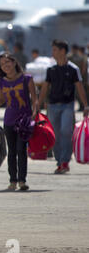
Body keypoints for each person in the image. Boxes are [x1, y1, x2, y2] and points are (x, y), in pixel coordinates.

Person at [0, 52, 38, 191]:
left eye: (7, 62)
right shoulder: (2, 81)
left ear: (14, 63)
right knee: (12, 151)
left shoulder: (27, 79)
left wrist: (34, 113)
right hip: (9, 120)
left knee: (21, 150)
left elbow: (34, 99)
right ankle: (12, 181)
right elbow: (1, 99)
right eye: (2, 64)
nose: (5, 66)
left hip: (24, 121)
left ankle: (22, 181)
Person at [38, 40, 89, 174]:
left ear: (62, 51)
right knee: (55, 134)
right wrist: (38, 105)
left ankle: (65, 161)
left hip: (67, 105)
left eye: (54, 50)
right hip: (52, 105)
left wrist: (85, 105)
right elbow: (44, 88)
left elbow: (80, 87)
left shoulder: (73, 69)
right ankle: (60, 161)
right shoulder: (51, 70)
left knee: (66, 131)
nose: (52, 53)